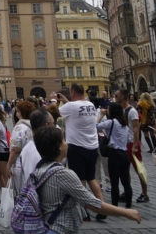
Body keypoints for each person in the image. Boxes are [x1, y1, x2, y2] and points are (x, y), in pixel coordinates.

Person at [30, 126, 142, 234]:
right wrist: (126, 212)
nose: (67, 143)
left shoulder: (38, 170)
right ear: (59, 147)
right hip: (59, 228)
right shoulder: (63, 174)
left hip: (45, 226)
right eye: (64, 140)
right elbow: (92, 203)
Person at [59, 83, 106, 220]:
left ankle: (84, 211)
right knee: (91, 177)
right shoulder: (90, 104)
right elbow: (76, 109)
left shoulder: (71, 107)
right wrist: (66, 101)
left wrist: (55, 101)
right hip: (92, 146)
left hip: (77, 147)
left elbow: (56, 112)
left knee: (80, 180)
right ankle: (102, 207)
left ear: (72, 92)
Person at [114, 88, 149, 203]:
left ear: (122, 97)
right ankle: (127, 191)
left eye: (116, 95)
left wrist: (135, 144)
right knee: (125, 170)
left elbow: (136, 128)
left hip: (131, 143)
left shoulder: (132, 111)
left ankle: (145, 193)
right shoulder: (119, 110)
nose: (115, 97)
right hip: (122, 144)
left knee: (139, 168)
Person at [97, 102, 132, 210]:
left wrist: (101, 116)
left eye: (108, 109)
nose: (107, 110)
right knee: (126, 181)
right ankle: (128, 204)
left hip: (114, 154)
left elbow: (95, 126)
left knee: (114, 182)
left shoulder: (111, 122)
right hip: (124, 154)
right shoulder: (124, 123)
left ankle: (115, 205)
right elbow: (129, 139)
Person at [19, 108, 54, 183]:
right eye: (53, 123)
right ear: (46, 125)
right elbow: (32, 180)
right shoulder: (34, 150)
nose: (54, 127)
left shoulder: (36, 146)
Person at [8, 99, 35, 192]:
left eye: (18, 111)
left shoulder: (19, 127)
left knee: (22, 192)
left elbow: (15, 149)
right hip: (34, 162)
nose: (16, 113)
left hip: (21, 164)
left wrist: (8, 166)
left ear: (21, 113)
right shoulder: (34, 125)